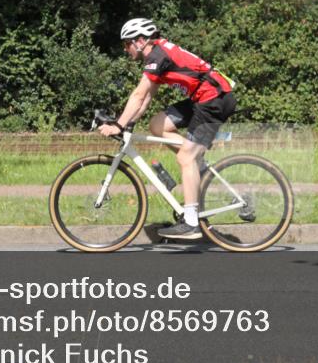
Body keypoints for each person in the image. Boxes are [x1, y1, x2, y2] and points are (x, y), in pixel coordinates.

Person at [99, 18, 236, 239]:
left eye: (127, 44)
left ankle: (191, 222)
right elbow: (144, 101)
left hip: (214, 99)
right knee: (157, 125)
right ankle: (195, 159)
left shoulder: (157, 56)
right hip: (203, 97)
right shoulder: (157, 56)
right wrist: (129, 123)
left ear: (141, 40)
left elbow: (137, 95)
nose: (126, 49)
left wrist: (118, 125)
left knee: (185, 158)